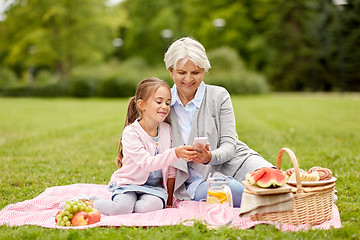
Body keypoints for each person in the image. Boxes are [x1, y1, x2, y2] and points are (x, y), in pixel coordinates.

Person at [164, 37, 274, 207]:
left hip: (235, 161)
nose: (188, 79)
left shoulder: (219, 95)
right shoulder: (163, 103)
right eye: (181, 72)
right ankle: (284, 202)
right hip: (198, 180)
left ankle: (306, 194)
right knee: (235, 192)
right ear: (171, 71)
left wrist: (210, 157)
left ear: (204, 71)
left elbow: (230, 144)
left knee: (276, 183)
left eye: (195, 72)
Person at [62, 78, 197, 215]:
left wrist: (168, 202)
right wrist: (175, 153)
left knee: (143, 209)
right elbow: (147, 163)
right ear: (141, 105)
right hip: (128, 184)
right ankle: (88, 202)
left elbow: (171, 171)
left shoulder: (167, 130)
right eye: (159, 102)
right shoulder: (131, 132)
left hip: (154, 188)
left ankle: (113, 204)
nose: (165, 106)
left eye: (168, 103)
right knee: (121, 209)